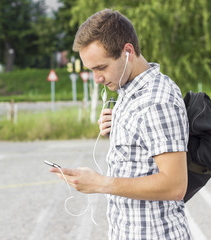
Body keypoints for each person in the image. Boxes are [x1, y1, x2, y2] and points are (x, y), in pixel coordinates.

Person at [50, 9, 192, 239]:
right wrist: (117, 131)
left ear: (128, 51)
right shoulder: (127, 87)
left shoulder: (157, 101)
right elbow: (142, 149)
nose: (96, 79)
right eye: (91, 70)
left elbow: (175, 185)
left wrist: (101, 183)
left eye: (101, 68)